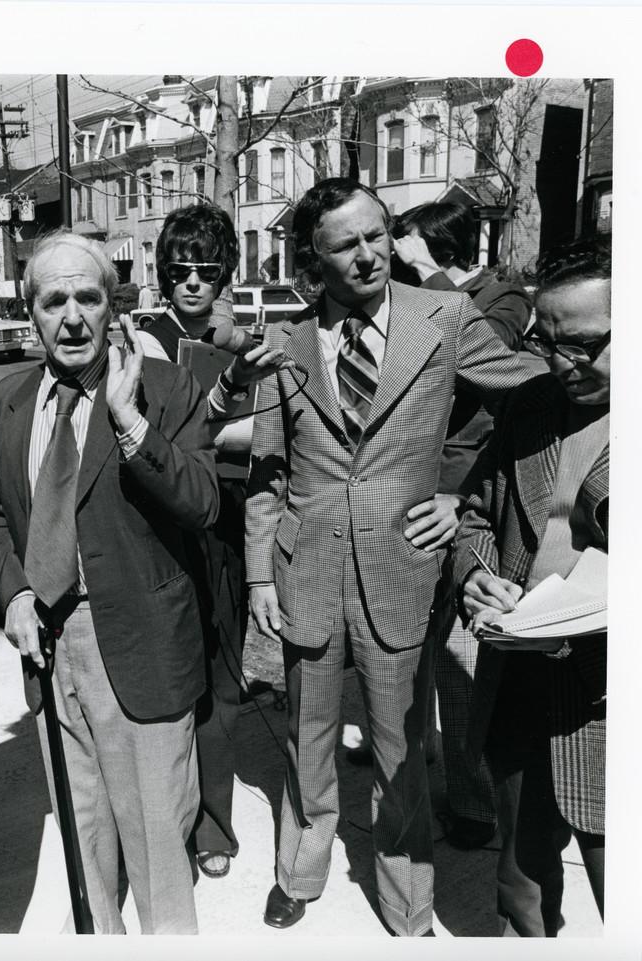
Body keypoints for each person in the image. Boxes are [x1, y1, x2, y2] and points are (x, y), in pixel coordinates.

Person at [245, 178, 526, 936]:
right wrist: (258, 574)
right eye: (346, 243)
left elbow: (526, 392)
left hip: (401, 564)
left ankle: (407, 904)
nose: (368, 254)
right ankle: (299, 870)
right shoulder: (288, 341)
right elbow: (267, 471)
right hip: (306, 567)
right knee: (308, 735)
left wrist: (456, 491)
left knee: (400, 747)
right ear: (314, 258)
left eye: (377, 235)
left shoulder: (446, 316)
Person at [0, 231, 219, 933]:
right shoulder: (4, 406)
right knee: (84, 837)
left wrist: (129, 416)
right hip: (52, 650)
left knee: (157, 844)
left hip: (138, 641)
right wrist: (15, 591)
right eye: (55, 300)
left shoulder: (166, 386)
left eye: (89, 297)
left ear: (115, 307)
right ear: (33, 314)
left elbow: (203, 501)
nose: (73, 317)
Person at [455, 240, 609, 936]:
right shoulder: (530, 405)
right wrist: (476, 574)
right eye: (546, 342)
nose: (563, 363)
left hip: (610, 704)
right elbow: (474, 515)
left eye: (585, 345)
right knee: (520, 887)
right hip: (519, 685)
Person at [139, 203, 291, 881]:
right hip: (166, 527)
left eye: (207, 270)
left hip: (230, 523)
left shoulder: (243, 340)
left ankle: (214, 824)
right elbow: (171, 443)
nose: (193, 283)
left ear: (227, 272)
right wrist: (242, 425)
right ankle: (171, 818)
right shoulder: (143, 341)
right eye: (179, 270)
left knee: (226, 681)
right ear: (162, 275)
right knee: (174, 679)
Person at [388, 201, 533, 849]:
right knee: (411, 641)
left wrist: (429, 275)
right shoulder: (413, 296)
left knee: (460, 656)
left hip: (470, 498)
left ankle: (475, 806)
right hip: (414, 491)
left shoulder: (503, 296)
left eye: (407, 244)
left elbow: (495, 358)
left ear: (437, 244)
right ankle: (411, 752)